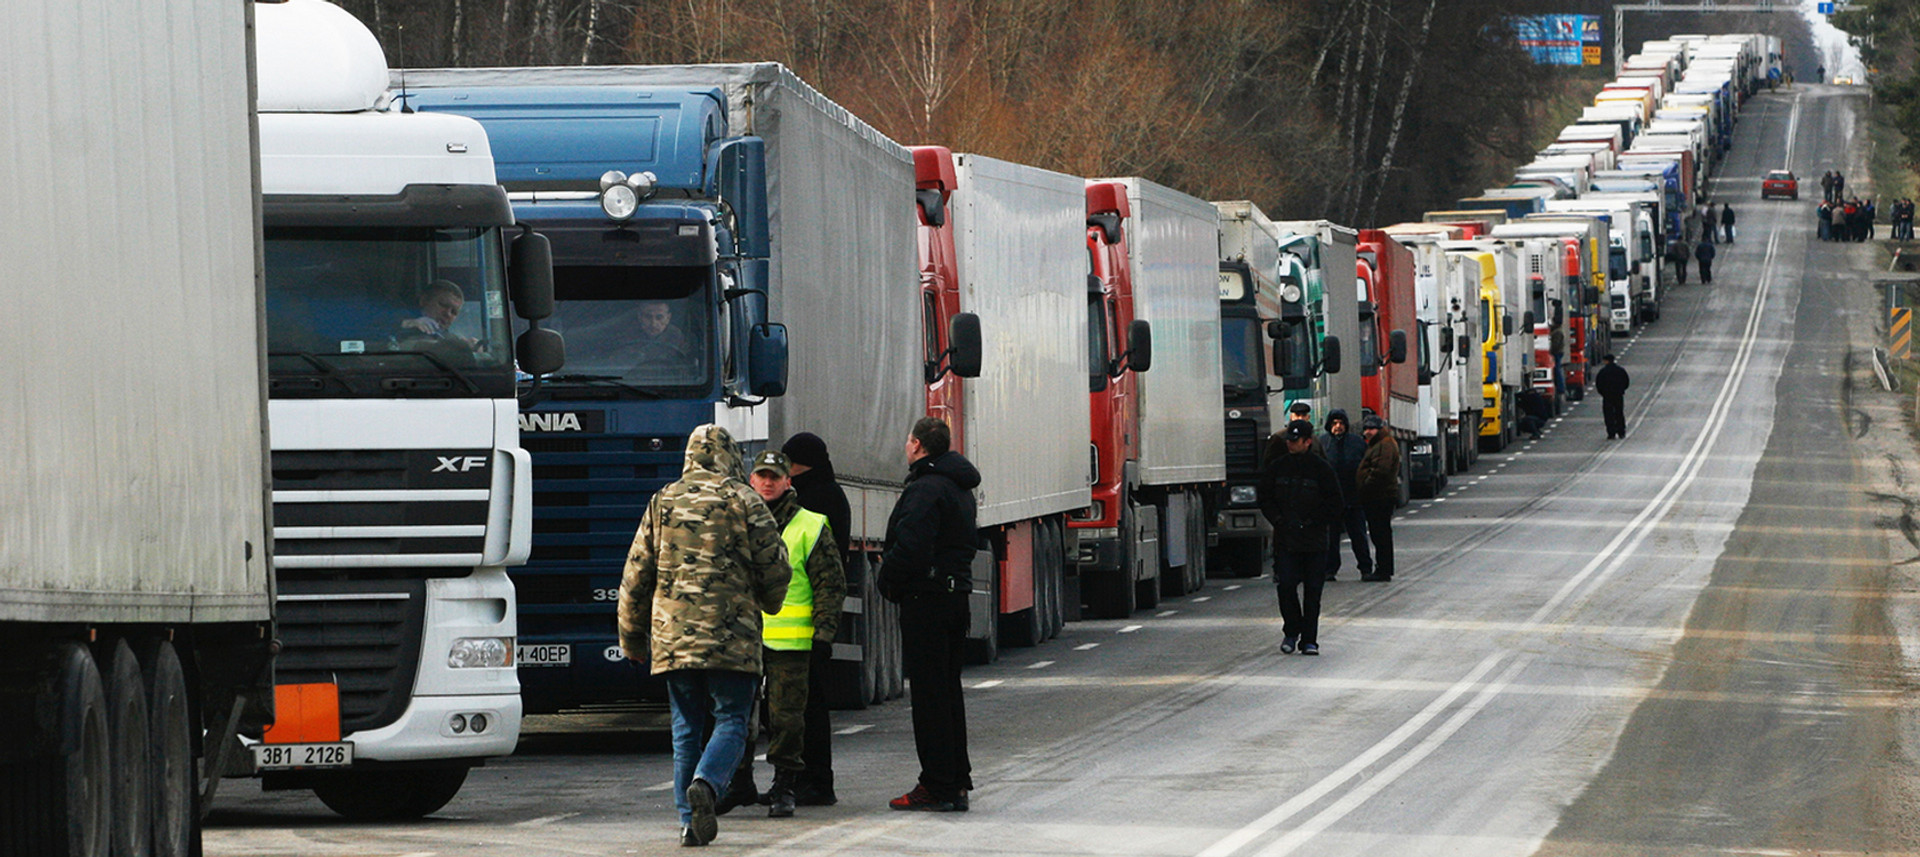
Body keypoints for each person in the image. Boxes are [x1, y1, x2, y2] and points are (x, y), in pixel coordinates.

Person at [618, 424, 790, 847]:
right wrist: (770, 601)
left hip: (673, 637)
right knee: (732, 719)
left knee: (685, 728)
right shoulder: (745, 500)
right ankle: (708, 785)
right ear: (732, 457)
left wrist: (632, 640)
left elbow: (636, 576)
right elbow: (775, 565)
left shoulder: (662, 501)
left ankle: (689, 824)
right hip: (733, 636)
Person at [726, 450, 845, 819]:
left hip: (792, 642)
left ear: (787, 481)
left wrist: (823, 635)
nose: (767, 482)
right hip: (743, 639)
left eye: (774, 477)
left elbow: (830, 585)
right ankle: (739, 780)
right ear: (751, 480)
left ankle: (784, 785)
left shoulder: (810, 525)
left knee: (787, 719)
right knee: (736, 716)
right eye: (761, 475)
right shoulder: (734, 522)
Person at [877, 417, 980, 813]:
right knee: (948, 693)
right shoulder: (959, 486)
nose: (906, 446)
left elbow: (912, 546)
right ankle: (955, 782)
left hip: (927, 600)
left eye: (908, 440)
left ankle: (936, 785)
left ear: (918, 446)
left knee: (930, 697)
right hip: (955, 598)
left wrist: (890, 579)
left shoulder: (925, 489)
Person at [779, 432, 852, 807]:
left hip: (804, 620)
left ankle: (814, 781)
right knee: (808, 705)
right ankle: (813, 780)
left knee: (806, 707)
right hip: (811, 619)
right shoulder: (832, 494)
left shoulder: (811, 501)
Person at [1258, 420, 1344, 656]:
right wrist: (1278, 520)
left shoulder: (1321, 469)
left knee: (1313, 592)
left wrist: (1314, 521)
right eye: (1289, 440)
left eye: (1295, 441)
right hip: (1286, 539)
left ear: (1307, 442)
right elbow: (1264, 497)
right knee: (1285, 585)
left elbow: (1335, 503)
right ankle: (1292, 629)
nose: (1290, 444)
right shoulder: (1278, 467)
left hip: (1314, 541)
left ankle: (1309, 640)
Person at [1316, 409, 1371, 581]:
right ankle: (1329, 569)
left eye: (1341, 423)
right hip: (1331, 499)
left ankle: (1365, 568)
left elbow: (1366, 465)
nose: (1338, 427)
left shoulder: (1357, 443)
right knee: (1331, 538)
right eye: (1334, 423)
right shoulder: (1323, 443)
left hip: (1353, 498)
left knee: (1358, 535)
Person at [1354, 415, 1400, 582]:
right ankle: (1383, 568)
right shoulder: (1378, 444)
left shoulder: (1384, 445)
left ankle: (1384, 570)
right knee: (1379, 534)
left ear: (1380, 429)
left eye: (1372, 429)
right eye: (1366, 429)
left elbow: (1380, 471)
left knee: (1381, 534)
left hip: (1380, 496)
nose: (1368, 432)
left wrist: (1365, 485)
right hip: (1377, 496)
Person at [398, 279, 476, 347]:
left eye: (454, 312)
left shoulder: (449, 338)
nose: (448, 314)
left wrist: (468, 347)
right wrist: (406, 324)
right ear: (424, 300)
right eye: (443, 305)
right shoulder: (399, 319)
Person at [1595, 354, 1631, 440]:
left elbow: (1599, 384)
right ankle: (1621, 431)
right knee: (1619, 413)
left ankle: (1611, 432)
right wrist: (1621, 390)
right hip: (1618, 395)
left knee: (1608, 414)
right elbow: (1626, 382)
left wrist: (1603, 393)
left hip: (1607, 396)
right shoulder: (1620, 370)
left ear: (1606, 361)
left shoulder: (1603, 372)